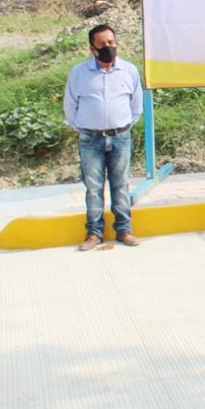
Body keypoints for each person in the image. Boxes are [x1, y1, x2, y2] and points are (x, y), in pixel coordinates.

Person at [64, 24, 144, 251]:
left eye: (111, 42)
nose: (108, 47)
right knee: (93, 187)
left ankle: (124, 230)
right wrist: (85, 129)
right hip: (91, 140)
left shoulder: (129, 71)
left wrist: (122, 126)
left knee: (121, 185)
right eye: (101, 44)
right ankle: (94, 233)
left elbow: (136, 106)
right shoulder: (79, 73)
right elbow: (70, 107)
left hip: (120, 138)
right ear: (92, 49)